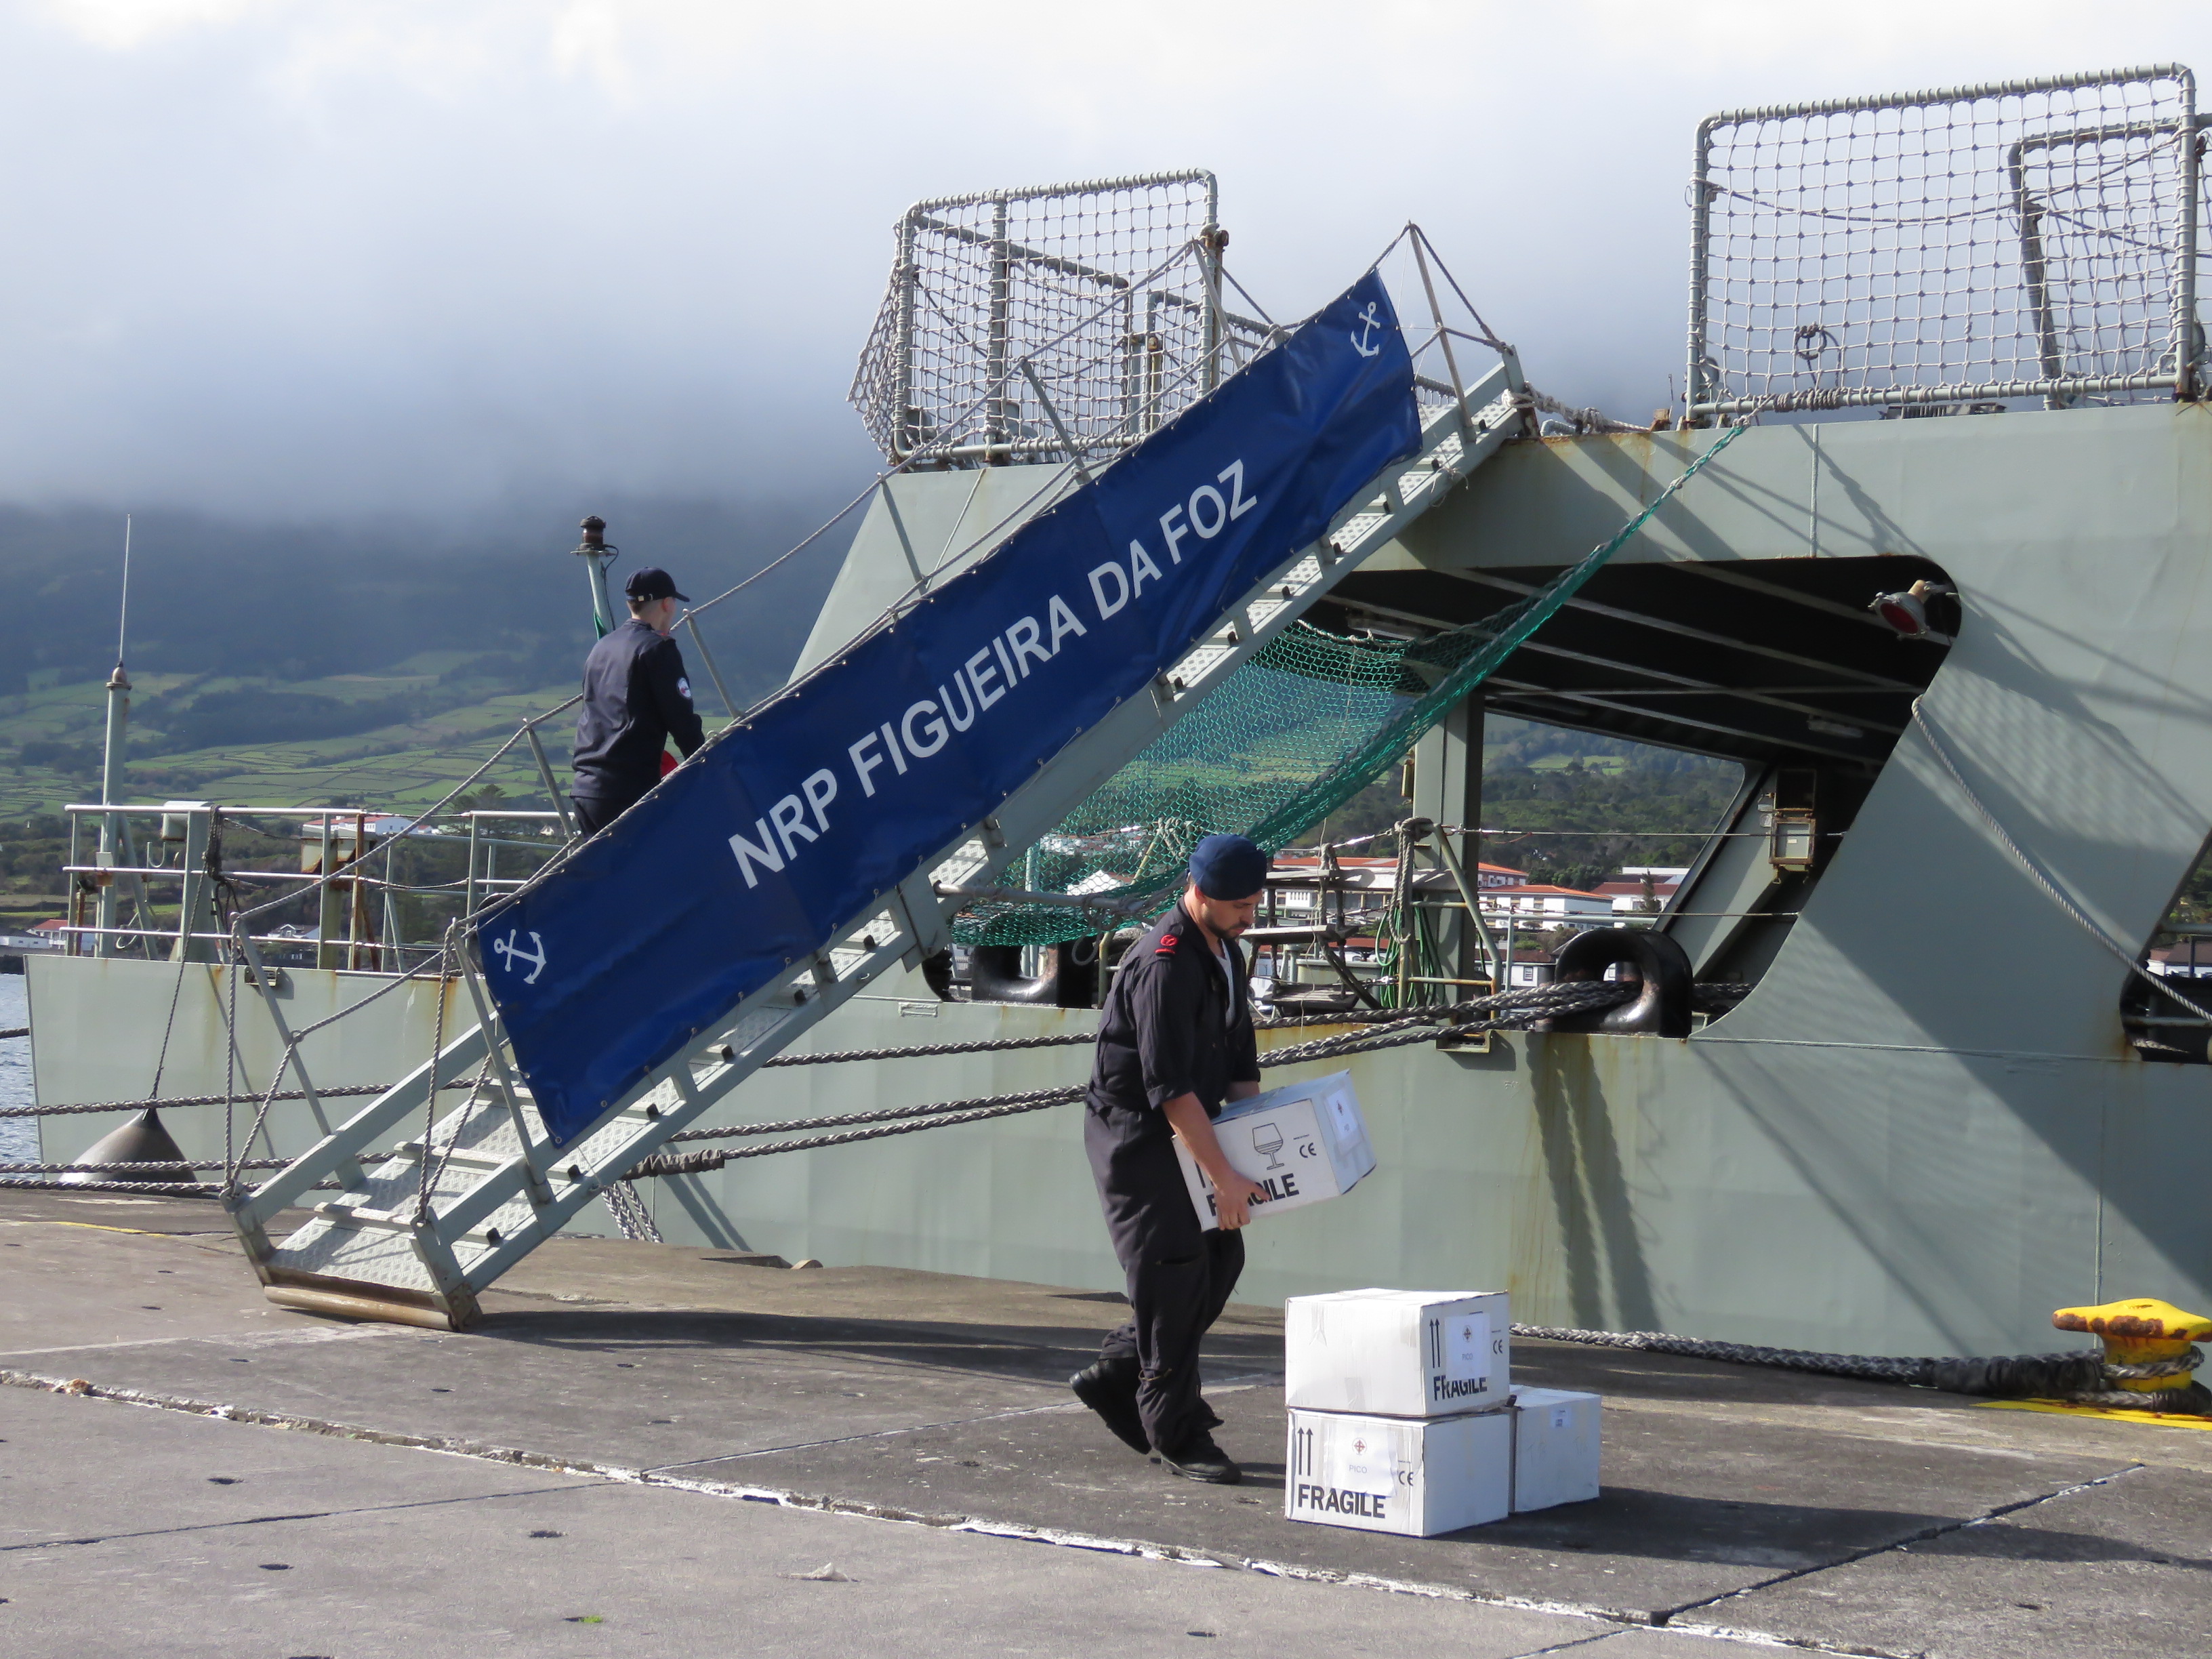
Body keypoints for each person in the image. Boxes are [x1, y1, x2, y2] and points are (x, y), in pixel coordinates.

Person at [1071, 833, 1274, 1484]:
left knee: (1222, 1254)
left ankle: (1117, 1373)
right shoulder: (1164, 964)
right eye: (1238, 905)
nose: (1250, 916)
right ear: (1199, 893)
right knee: (1174, 1272)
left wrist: (1249, 1151)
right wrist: (1225, 1178)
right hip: (1139, 1137)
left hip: (1193, 1127)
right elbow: (1168, 1089)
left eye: (1254, 902)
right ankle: (1175, 1432)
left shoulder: (1224, 951)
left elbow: (1238, 1057)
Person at [570, 567, 706, 836]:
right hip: (627, 791)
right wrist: (709, 764)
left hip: (586, 789)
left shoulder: (602, 647)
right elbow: (682, 722)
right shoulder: (657, 649)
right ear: (667, 603)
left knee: (605, 876)